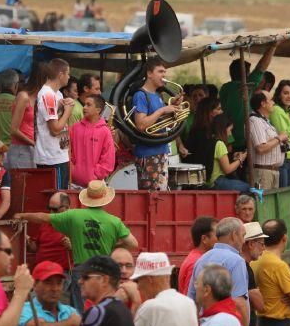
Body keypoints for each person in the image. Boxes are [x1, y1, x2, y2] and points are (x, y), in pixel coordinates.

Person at [16, 180, 138, 312]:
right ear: (105, 199)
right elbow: (133, 243)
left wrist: (22, 215)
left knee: (79, 310)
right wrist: (112, 244)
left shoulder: (74, 215)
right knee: (102, 307)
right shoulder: (114, 222)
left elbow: (43, 217)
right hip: (104, 271)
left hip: (82, 270)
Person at [132, 58, 181, 191]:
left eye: (164, 72)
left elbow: (160, 122)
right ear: (149, 74)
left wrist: (173, 108)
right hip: (148, 154)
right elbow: (141, 125)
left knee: (161, 195)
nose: (163, 75)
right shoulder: (140, 95)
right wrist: (163, 110)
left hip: (161, 151)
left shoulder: (157, 95)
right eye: (160, 71)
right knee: (152, 198)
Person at [220, 43, 277, 152]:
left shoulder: (225, 88)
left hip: (229, 140)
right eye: (249, 72)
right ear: (245, 74)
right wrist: (273, 46)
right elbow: (260, 68)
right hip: (241, 141)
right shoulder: (242, 87)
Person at [34, 58, 75, 189]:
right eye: (68, 74)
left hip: (60, 153)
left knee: (62, 195)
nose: (69, 77)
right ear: (60, 74)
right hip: (51, 157)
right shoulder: (48, 95)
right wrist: (68, 111)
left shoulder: (58, 94)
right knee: (56, 198)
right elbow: (55, 129)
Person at [26, 191, 74, 285]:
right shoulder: (45, 223)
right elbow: (35, 248)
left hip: (60, 274)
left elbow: (85, 251)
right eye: (49, 209)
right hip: (41, 272)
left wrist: (72, 246)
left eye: (55, 210)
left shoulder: (73, 224)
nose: (51, 213)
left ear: (67, 208)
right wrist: (27, 241)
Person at [70, 94, 115, 188]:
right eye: (84, 104)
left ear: (98, 110)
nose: (84, 107)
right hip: (73, 184)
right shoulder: (75, 128)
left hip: (95, 186)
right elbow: (67, 151)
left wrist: (95, 175)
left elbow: (108, 160)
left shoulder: (105, 131)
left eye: (88, 105)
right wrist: (72, 170)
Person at [248, 90, 287, 190]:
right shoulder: (255, 121)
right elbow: (260, 148)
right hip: (263, 172)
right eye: (271, 100)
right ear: (263, 104)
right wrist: (279, 138)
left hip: (272, 171)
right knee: (263, 204)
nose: (274, 102)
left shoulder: (264, 120)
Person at [7, 64, 43, 169]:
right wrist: (33, 143)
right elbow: (13, 129)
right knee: (23, 183)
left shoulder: (39, 98)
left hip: (33, 148)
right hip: (21, 149)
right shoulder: (24, 96)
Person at [207, 114, 251, 191]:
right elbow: (227, 169)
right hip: (217, 181)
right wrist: (240, 159)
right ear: (223, 129)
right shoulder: (220, 144)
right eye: (230, 130)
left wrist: (234, 156)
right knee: (248, 188)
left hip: (209, 181)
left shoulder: (211, 140)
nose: (230, 134)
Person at [178, 216, 217, 295]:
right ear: (204, 239)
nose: (220, 238)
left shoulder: (197, 258)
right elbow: (190, 298)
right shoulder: (198, 263)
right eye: (217, 235)